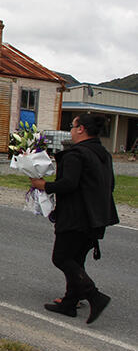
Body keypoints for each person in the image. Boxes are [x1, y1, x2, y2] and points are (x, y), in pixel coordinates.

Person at [30, 113, 119, 323]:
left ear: (81, 129)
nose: (70, 129)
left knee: (61, 258)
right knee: (77, 259)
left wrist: (44, 186)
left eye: (73, 125)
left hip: (75, 216)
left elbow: (69, 184)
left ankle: (94, 295)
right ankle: (70, 303)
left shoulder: (76, 154)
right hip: (96, 217)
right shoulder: (103, 154)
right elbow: (110, 184)